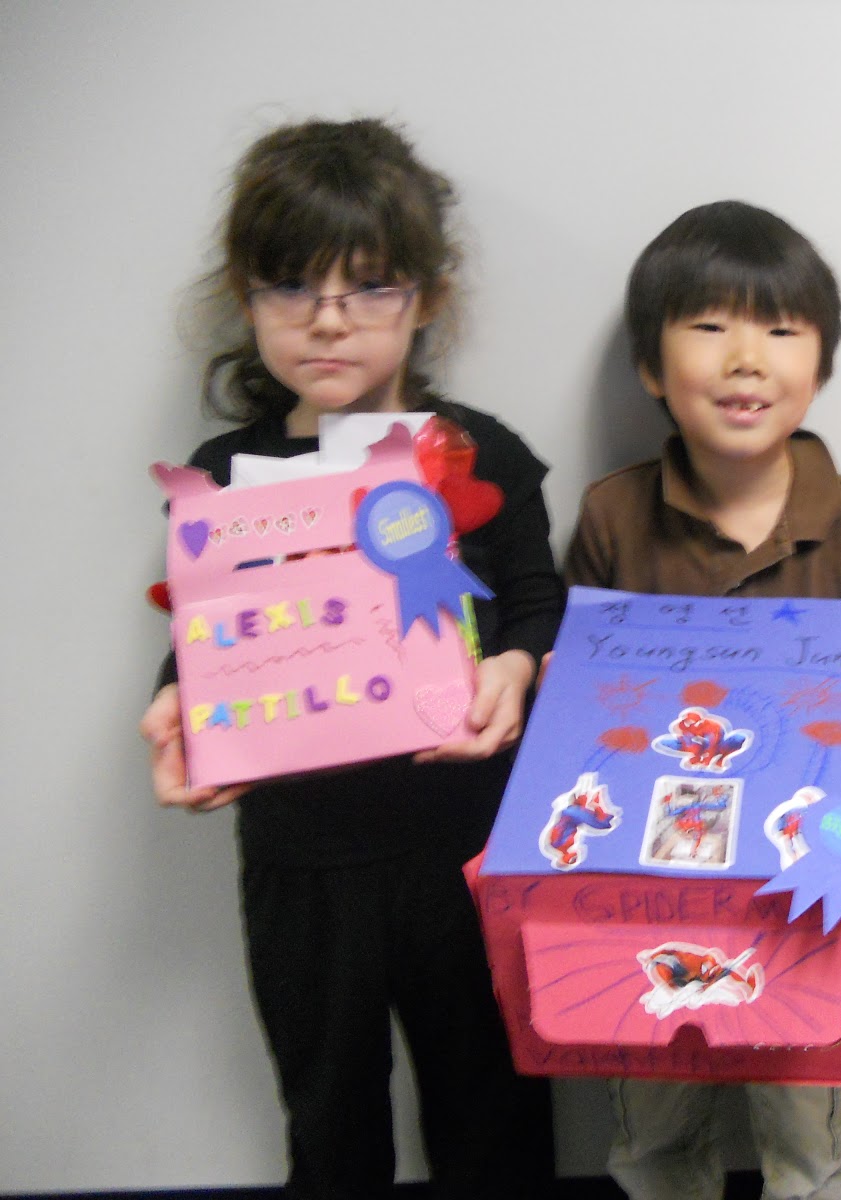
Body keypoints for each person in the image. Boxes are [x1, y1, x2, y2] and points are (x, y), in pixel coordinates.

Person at [137, 117, 563, 1199]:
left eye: (368, 287)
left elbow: (533, 599)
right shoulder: (225, 470)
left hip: (465, 848)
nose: (327, 321)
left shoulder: (476, 452)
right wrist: (176, 708)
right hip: (305, 859)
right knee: (328, 1113)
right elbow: (204, 634)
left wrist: (516, 667)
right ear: (247, 297)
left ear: (424, 298)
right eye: (291, 286)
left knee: (495, 1108)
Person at [564, 199, 841, 1200]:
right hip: (647, 895)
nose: (746, 359)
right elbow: (579, 699)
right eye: (708, 326)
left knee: (811, 1145)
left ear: (818, 366)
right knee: (651, 1134)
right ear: (651, 368)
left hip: (808, 902)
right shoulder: (611, 514)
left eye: (779, 330)